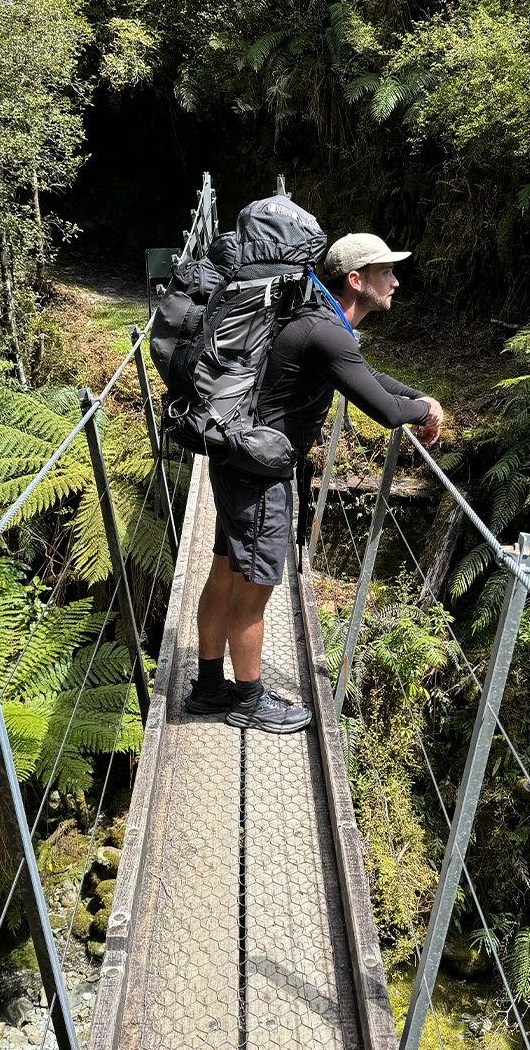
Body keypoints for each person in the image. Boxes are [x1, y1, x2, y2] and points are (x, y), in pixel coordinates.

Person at [185, 233, 445, 733]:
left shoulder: (320, 323)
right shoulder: (326, 332)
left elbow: (369, 378)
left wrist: (421, 398)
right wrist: (422, 411)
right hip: (262, 477)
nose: (395, 280)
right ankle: (247, 700)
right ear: (355, 280)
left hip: (238, 459)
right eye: (385, 271)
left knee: (225, 573)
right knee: (254, 588)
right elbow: (386, 410)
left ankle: (209, 687)